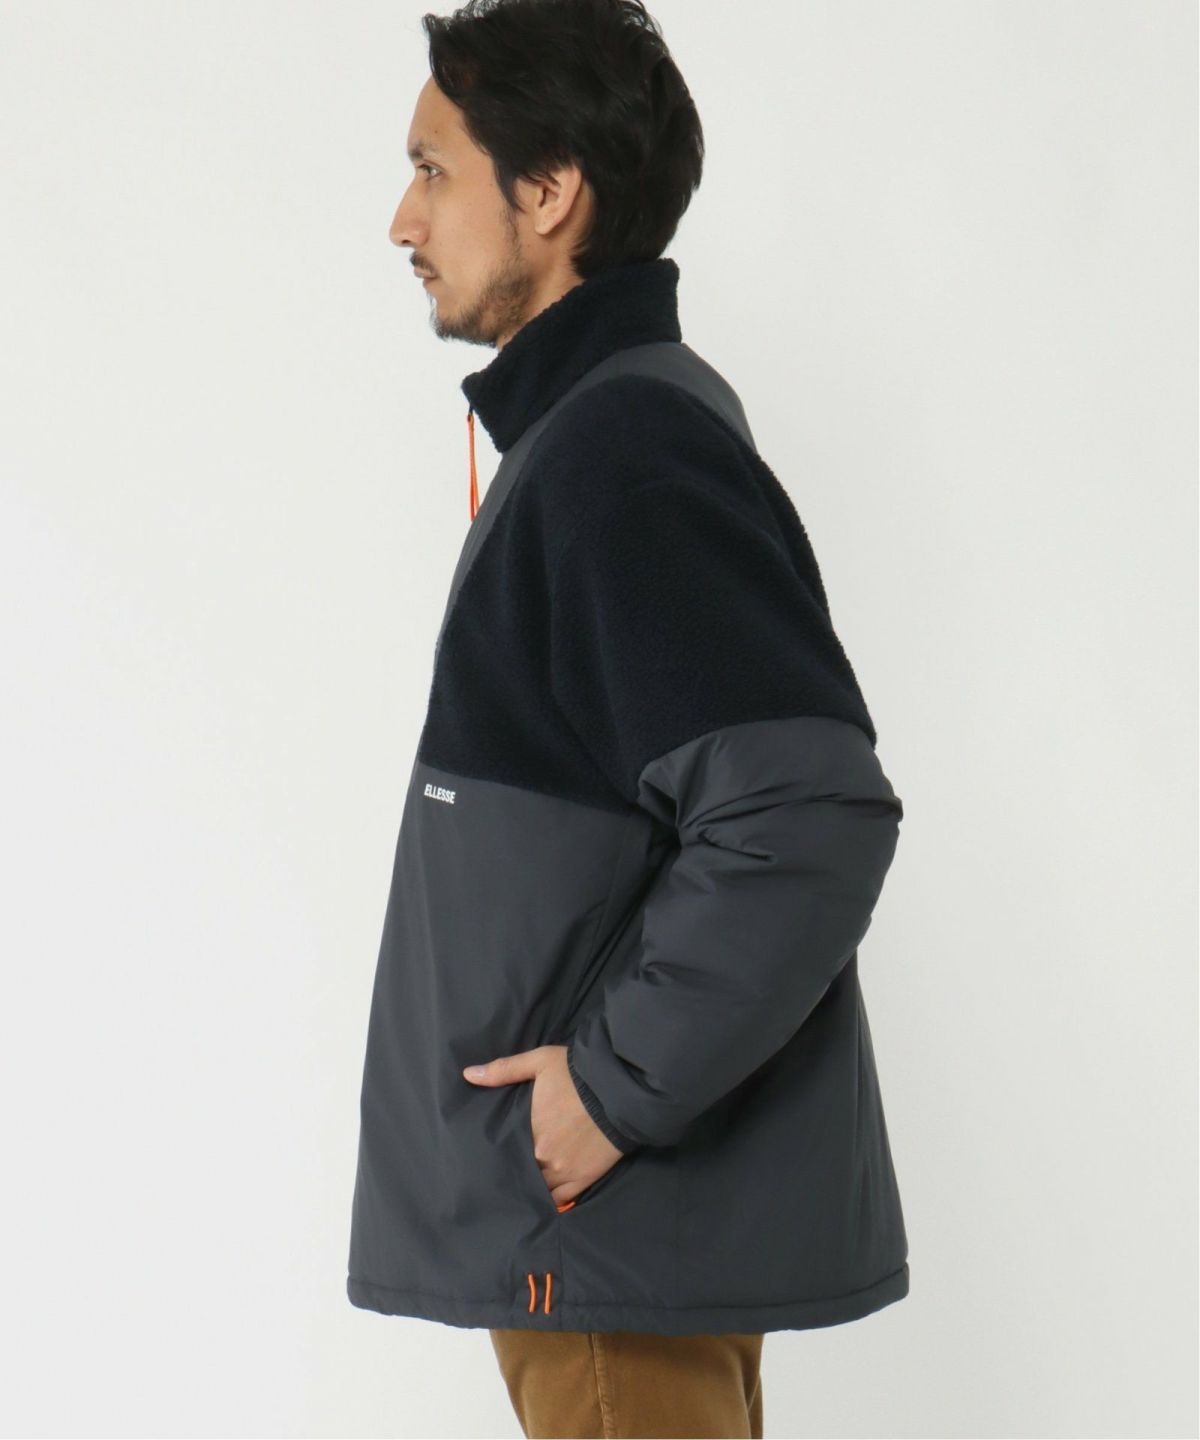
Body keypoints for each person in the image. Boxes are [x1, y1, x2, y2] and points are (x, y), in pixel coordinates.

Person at [346, 2, 910, 1435]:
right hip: (603, 1246)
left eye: (433, 170)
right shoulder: (598, 434)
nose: (402, 219)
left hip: (603, 1247)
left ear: (549, 192)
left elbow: (805, 816)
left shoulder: (623, 451)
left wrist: (604, 1093)